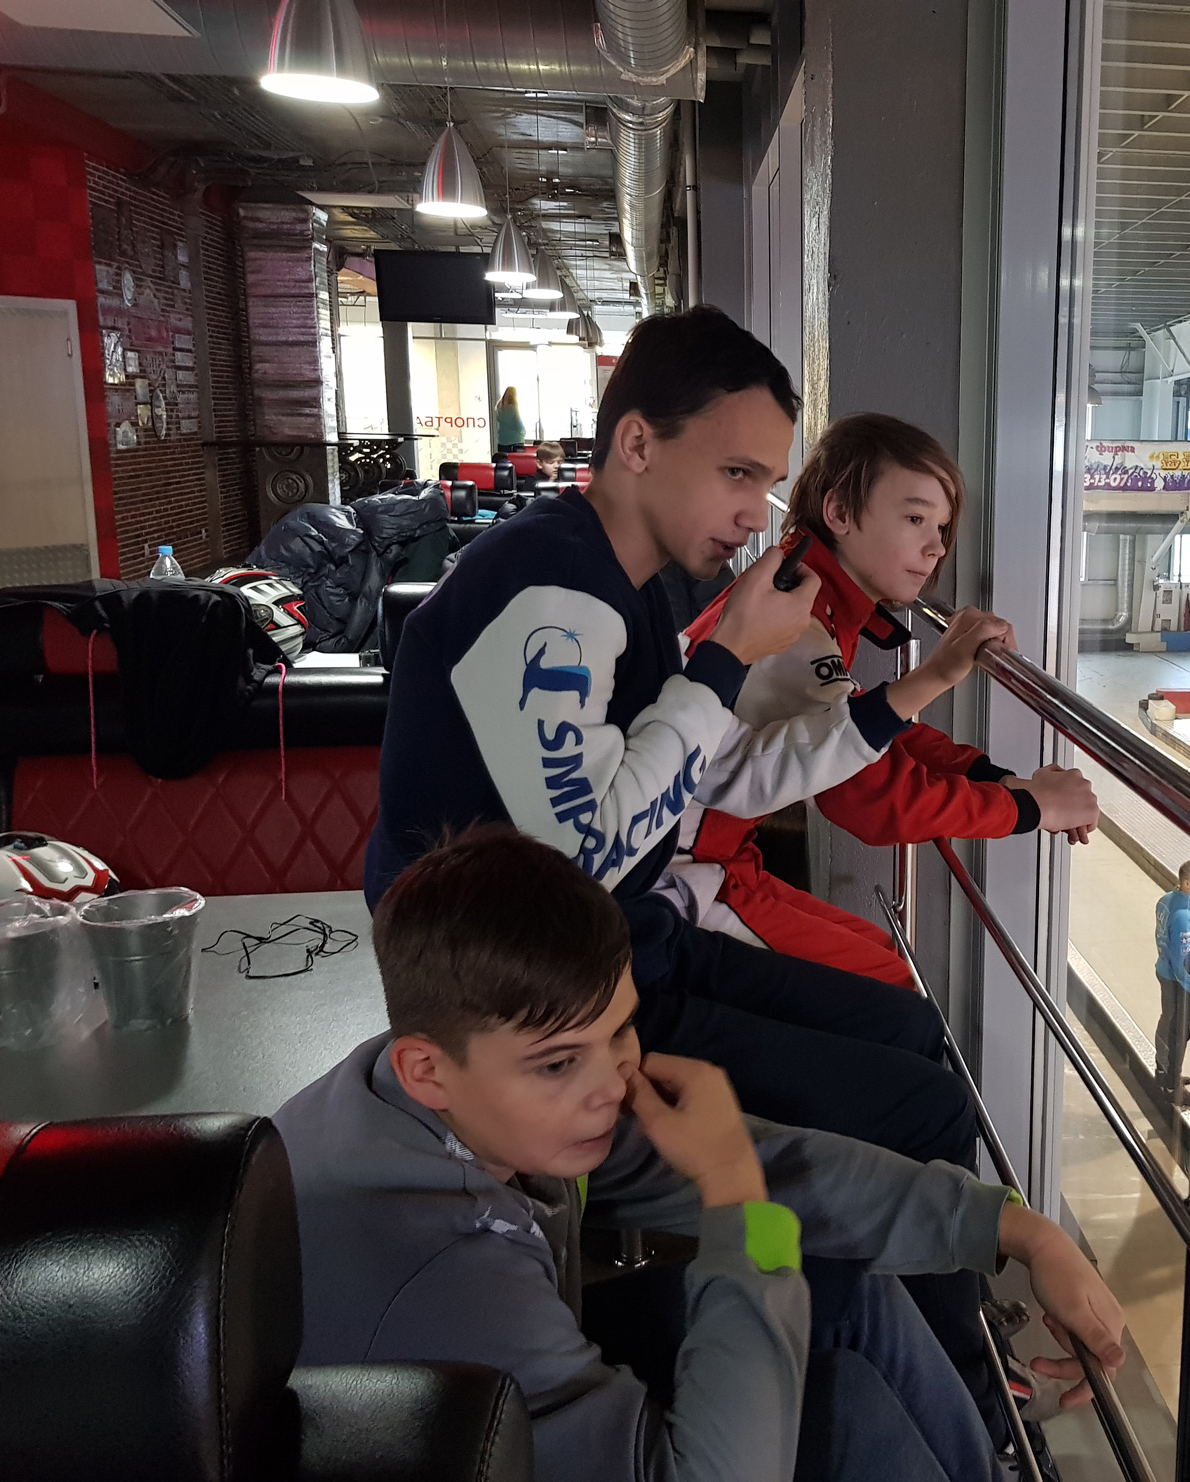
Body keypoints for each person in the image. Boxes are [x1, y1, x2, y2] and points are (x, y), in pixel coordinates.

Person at [367, 305, 1008, 1441]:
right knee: (911, 1111)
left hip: (623, 955)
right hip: (551, 1004)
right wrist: (721, 662)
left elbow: (702, 778)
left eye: (766, 482)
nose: (756, 512)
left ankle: (958, 1361)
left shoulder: (632, 581)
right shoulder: (552, 597)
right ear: (636, 443)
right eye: (737, 474)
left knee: (910, 1047)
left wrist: (777, 679)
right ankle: (973, 1384)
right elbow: (589, 846)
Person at [276, 827, 1129, 1482]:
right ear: (426, 1070)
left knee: (830, 1283)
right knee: (847, 1416)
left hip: (516, 1391)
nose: (610, 1083)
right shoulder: (441, 1271)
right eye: (559, 1063)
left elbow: (775, 1175)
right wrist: (734, 1197)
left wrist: (1019, 1233)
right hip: (447, 1431)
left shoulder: (464, 1096)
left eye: (620, 1030)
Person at [669, 412, 1100, 986]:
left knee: (878, 957)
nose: (936, 547)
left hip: (708, 847)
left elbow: (863, 728)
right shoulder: (800, 624)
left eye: (941, 527)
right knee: (886, 985)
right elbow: (870, 798)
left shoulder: (803, 590)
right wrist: (1028, 809)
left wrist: (1001, 780)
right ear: (840, 513)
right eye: (915, 518)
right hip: (678, 870)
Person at [1154, 860, 1190, 1106]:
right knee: (1180, 1032)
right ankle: (1172, 1085)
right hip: (1179, 983)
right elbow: (1183, 962)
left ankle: (1164, 1070)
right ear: (1187, 883)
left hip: (1165, 972)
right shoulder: (1184, 917)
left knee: (1168, 1022)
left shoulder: (1167, 900)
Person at [496, 386, 527, 453]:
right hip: (516, 441)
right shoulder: (513, 408)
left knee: (503, 459)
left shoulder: (500, 409)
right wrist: (524, 432)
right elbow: (518, 425)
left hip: (502, 442)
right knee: (516, 459)